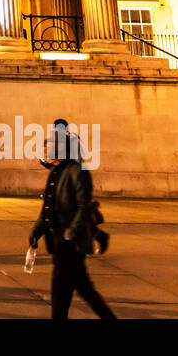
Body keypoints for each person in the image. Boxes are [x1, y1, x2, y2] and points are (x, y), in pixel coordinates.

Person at [29, 119, 115, 319]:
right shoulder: (54, 171)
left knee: (79, 290)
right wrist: (36, 232)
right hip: (60, 242)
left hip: (70, 244)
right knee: (64, 292)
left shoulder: (76, 166)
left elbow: (83, 207)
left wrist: (70, 234)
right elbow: (47, 208)